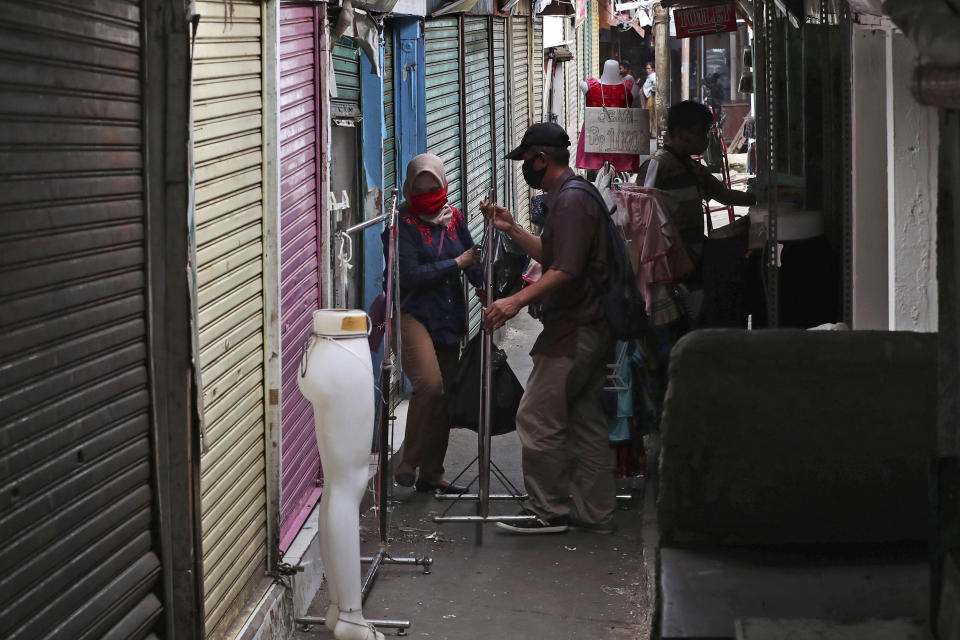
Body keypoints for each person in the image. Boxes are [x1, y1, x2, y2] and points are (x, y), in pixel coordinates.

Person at [479, 123, 616, 535]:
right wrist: (513, 228)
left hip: (575, 328)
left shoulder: (572, 202)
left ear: (541, 158)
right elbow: (555, 254)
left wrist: (514, 301)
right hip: (590, 326)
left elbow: (566, 270)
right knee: (585, 420)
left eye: (525, 161)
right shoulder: (573, 196)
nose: (525, 169)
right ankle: (594, 513)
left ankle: (550, 510)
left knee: (536, 418)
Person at [389, 153, 481, 494]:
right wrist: (456, 263)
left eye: (434, 187)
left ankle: (432, 473)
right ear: (409, 189)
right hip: (414, 313)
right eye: (420, 188)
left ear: (444, 184)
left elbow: (472, 257)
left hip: (447, 314)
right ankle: (409, 462)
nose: (428, 194)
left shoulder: (454, 217)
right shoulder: (401, 226)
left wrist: (487, 287)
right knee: (429, 384)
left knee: (445, 397)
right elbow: (409, 275)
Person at [639, 62, 657, 136]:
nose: (647, 70)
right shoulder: (650, 76)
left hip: (650, 97)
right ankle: (650, 132)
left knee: (649, 114)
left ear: (653, 69)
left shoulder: (653, 76)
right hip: (647, 97)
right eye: (646, 68)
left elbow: (655, 85)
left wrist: (651, 91)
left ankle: (649, 132)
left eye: (649, 68)